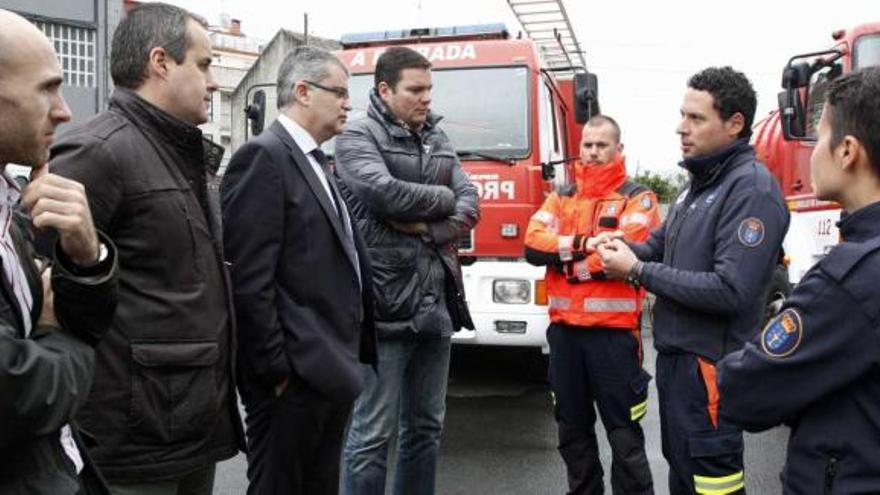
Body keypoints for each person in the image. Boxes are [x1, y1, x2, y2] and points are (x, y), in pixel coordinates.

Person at [47, 3, 243, 493]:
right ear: (161, 63)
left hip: (189, 427)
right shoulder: (99, 152)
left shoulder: (184, 152)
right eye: (203, 64)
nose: (214, 81)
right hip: (134, 444)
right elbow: (39, 290)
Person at [598, 67, 789, 495]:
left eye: (696, 118)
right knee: (684, 477)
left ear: (735, 124)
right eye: (682, 115)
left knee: (712, 485)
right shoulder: (696, 186)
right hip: (676, 365)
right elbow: (656, 245)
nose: (681, 128)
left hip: (709, 369)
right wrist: (620, 246)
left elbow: (730, 289)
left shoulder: (751, 189)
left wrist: (638, 271)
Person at [221, 46, 377, 495]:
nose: (349, 103)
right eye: (340, 93)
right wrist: (277, 372)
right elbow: (250, 279)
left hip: (328, 371)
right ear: (303, 92)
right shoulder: (263, 158)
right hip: (293, 381)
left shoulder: (318, 162)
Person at [717, 67, 880, 494]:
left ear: (847, 151)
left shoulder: (853, 279)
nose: (810, 152)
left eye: (818, 137)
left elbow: (745, 390)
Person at [336, 46, 480, 495]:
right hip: (383, 309)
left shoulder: (438, 139)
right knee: (372, 434)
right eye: (416, 89)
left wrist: (427, 227)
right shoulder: (357, 137)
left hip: (435, 306)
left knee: (426, 427)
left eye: (429, 89)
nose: (426, 98)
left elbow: (471, 203)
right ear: (384, 89)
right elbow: (384, 194)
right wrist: (442, 203)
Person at [0, 9, 118, 494]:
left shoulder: (13, 198)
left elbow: (82, 315)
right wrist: (64, 340)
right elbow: (18, 393)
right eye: (46, 89)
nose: (64, 110)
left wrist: (87, 259)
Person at [524, 115, 659, 495]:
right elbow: (533, 245)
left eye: (602, 145)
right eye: (588, 144)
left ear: (618, 149)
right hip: (565, 336)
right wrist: (584, 245)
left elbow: (625, 253)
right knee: (572, 434)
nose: (593, 152)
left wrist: (567, 265)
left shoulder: (639, 198)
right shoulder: (562, 196)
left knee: (624, 439)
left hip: (613, 340)